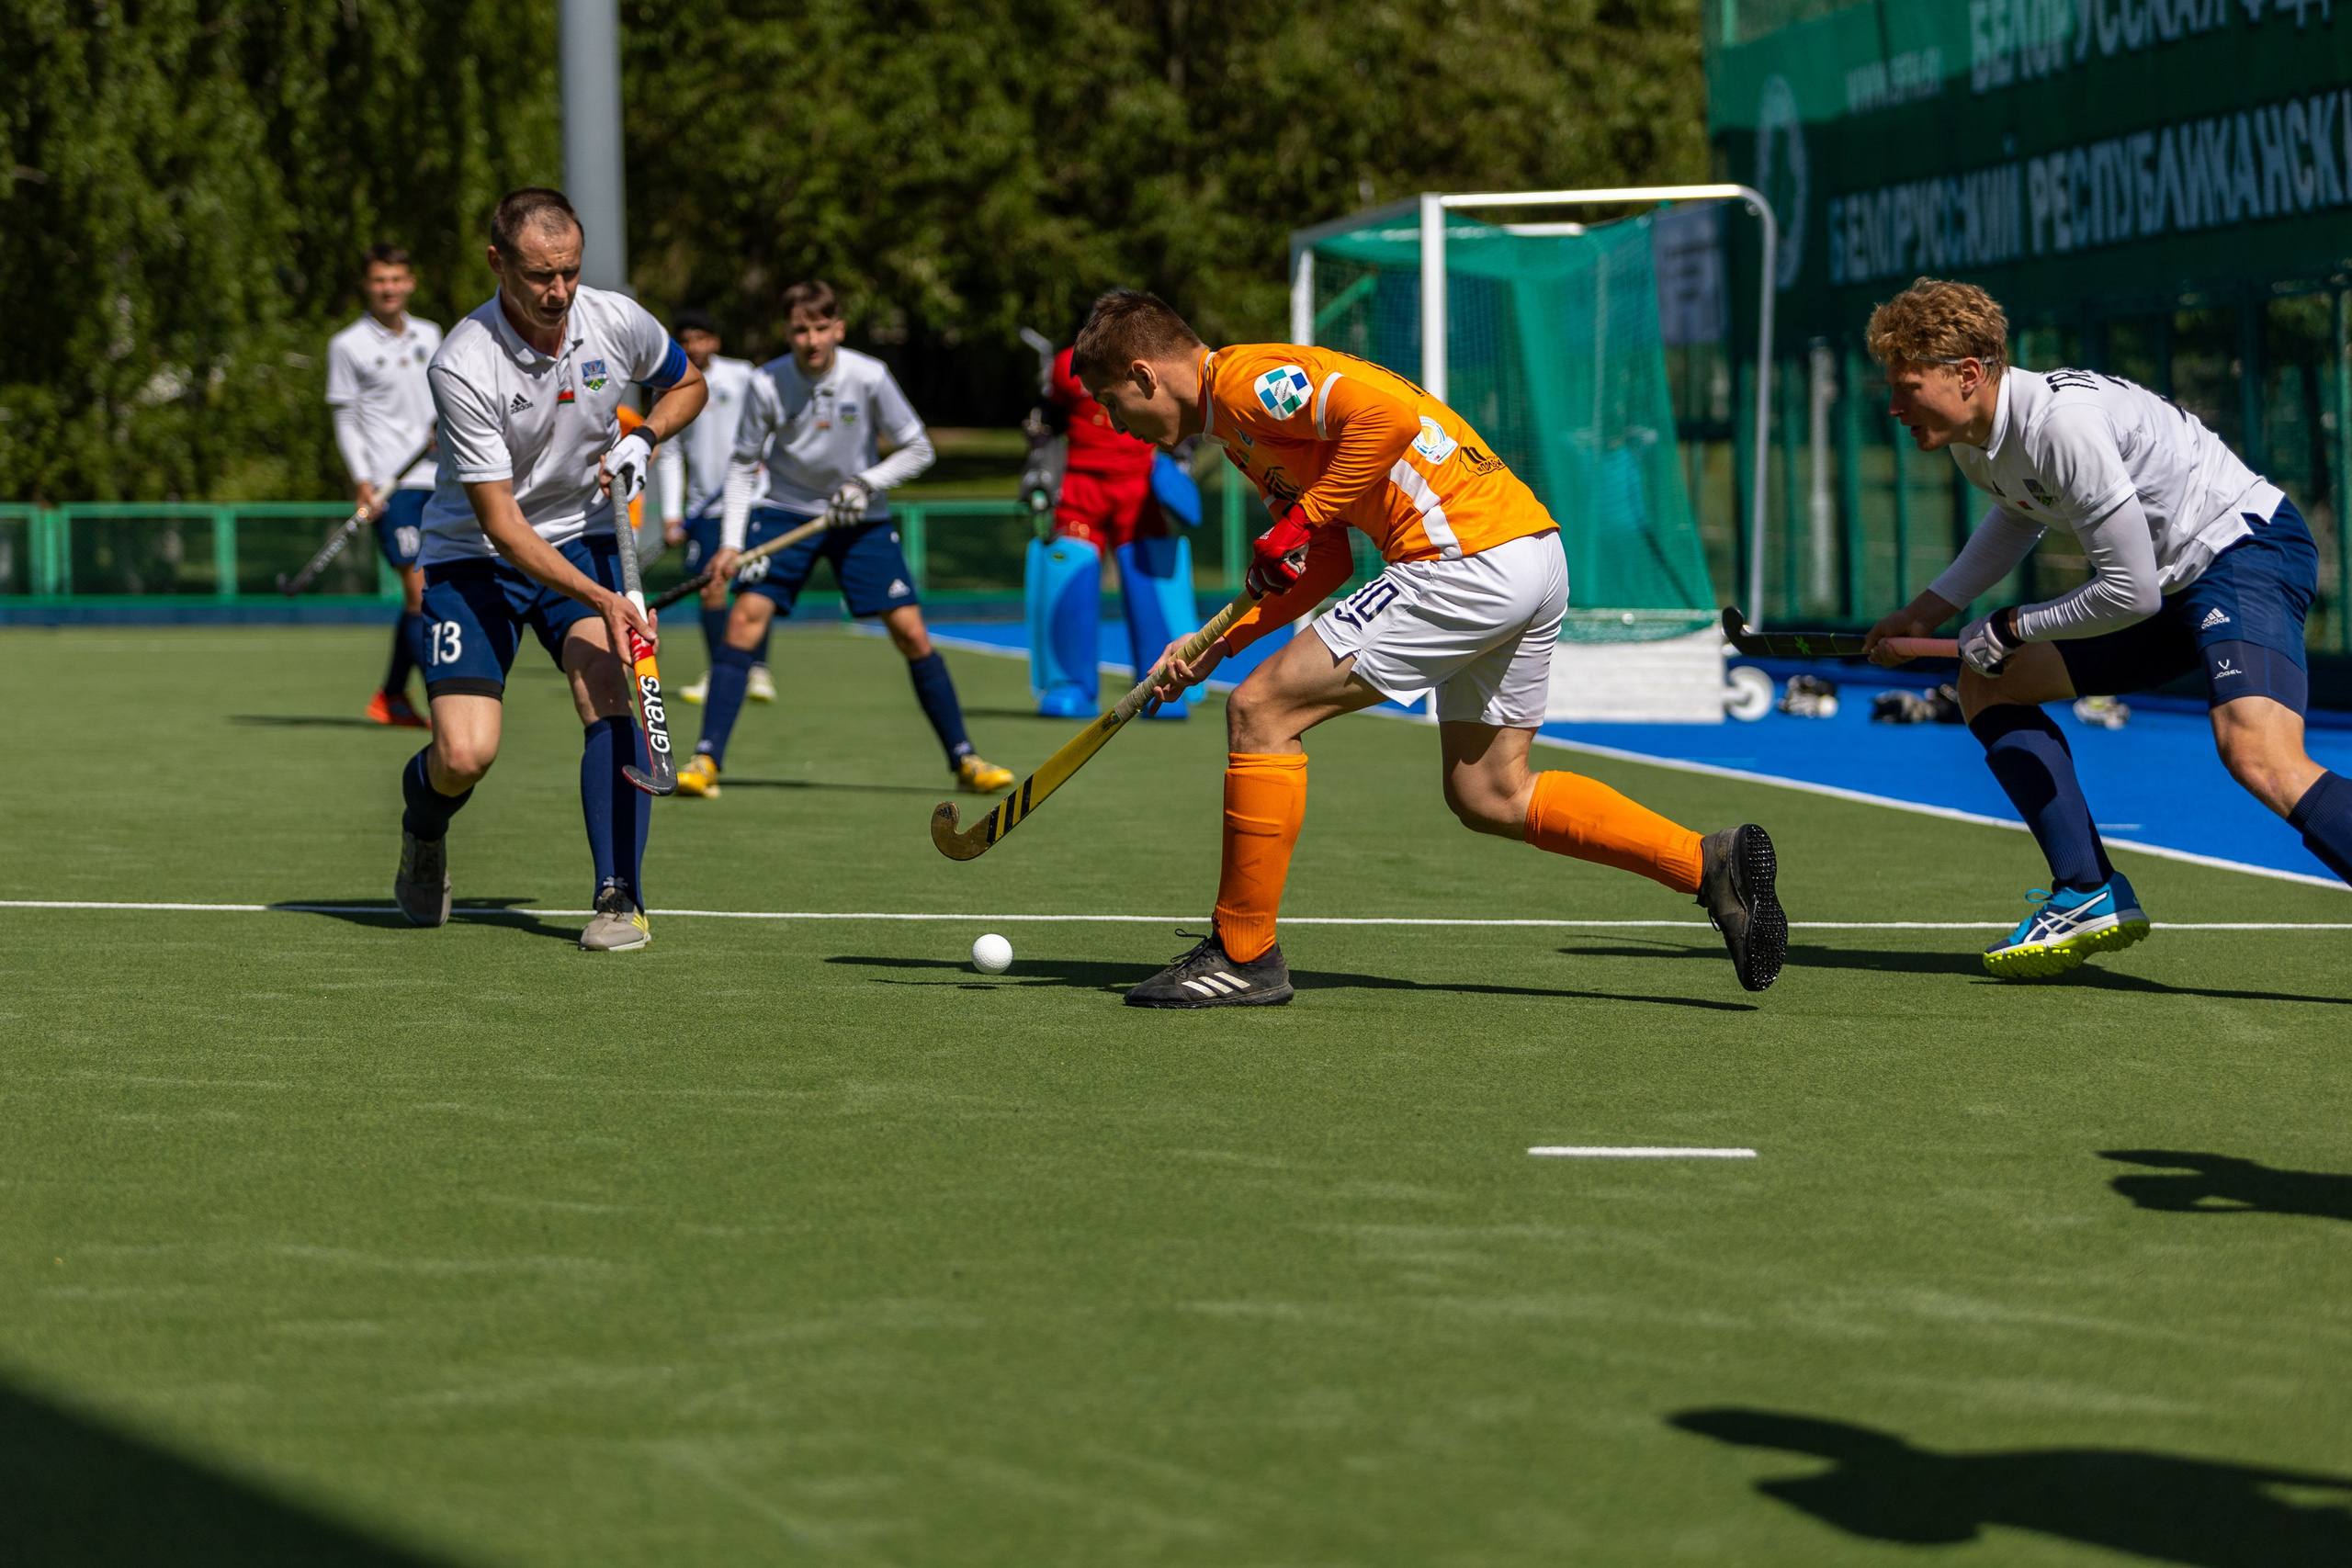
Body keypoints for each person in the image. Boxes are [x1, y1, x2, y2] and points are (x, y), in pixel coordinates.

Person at [1071, 288, 1786, 1007]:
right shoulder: (1235, 430)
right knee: (1490, 791)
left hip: (1459, 557)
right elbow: (1321, 560)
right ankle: (1706, 862)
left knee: (1262, 712)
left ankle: (1243, 952)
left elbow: (1386, 420)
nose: (1115, 424)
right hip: (1527, 554)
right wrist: (1218, 642)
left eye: (1110, 402)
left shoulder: (1248, 380)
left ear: (1144, 375)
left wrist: (1302, 520)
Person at [1862, 276, 2350, 978]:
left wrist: (2010, 623)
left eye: (1908, 385)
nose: (1895, 404)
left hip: (2241, 551)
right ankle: (2087, 890)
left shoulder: (2061, 425)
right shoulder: (1973, 436)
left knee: (2260, 755)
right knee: (1989, 684)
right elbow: (2021, 509)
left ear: (1968, 375)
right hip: (2166, 582)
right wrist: (1926, 611)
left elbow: (2130, 590)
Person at [392, 187, 707, 951]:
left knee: (608, 693)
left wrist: (647, 437)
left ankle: (619, 895)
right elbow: (502, 525)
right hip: (474, 556)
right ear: (498, 262)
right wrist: (607, 597)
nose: (558, 291)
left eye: (569, 270)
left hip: (584, 534)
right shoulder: (463, 363)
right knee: (465, 755)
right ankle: (422, 825)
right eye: (539, 275)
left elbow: (688, 382)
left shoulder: (615, 318)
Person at [674, 280, 1014, 799]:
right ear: (787, 331)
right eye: (799, 329)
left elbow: (918, 449)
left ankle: (965, 759)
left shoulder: (869, 376)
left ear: (838, 328)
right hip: (786, 512)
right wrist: (730, 542)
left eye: (819, 328)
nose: (810, 340)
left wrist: (866, 483)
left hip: (861, 518)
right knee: (743, 621)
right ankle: (705, 761)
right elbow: (743, 466)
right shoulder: (766, 384)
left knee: (911, 633)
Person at [1024, 336, 1203, 718]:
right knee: (1070, 574)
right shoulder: (1068, 365)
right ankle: (1070, 684)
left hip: (1140, 489)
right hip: (1079, 487)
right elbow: (1046, 422)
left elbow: (1185, 412)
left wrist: (1181, 463)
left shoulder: (1155, 361)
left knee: (1148, 583)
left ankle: (1162, 683)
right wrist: (1038, 468)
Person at [325, 244, 442, 728]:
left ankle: (391, 695)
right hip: (393, 490)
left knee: (435, 592)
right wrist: (363, 482)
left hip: (441, 482)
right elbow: (347, 419)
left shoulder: (431, 334)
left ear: (410, 282)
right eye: (379, 280)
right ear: (366, 286)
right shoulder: (349, 345)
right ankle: (443, 700)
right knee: (418, 593)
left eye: (396, 279)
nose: (389, 288)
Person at [653, 310, 774, 706]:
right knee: (712, 589)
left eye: (701, 338)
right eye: (686, 340)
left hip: (751, 500)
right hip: (704, 511)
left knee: (753, 591)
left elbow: (771, 422)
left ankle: (757, 671)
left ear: (715, 342)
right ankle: (722, 670)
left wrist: (765, 459)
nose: (694, 347)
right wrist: (672, 513)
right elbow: (669, 454)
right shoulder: (669, 387)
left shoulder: (743, 376)